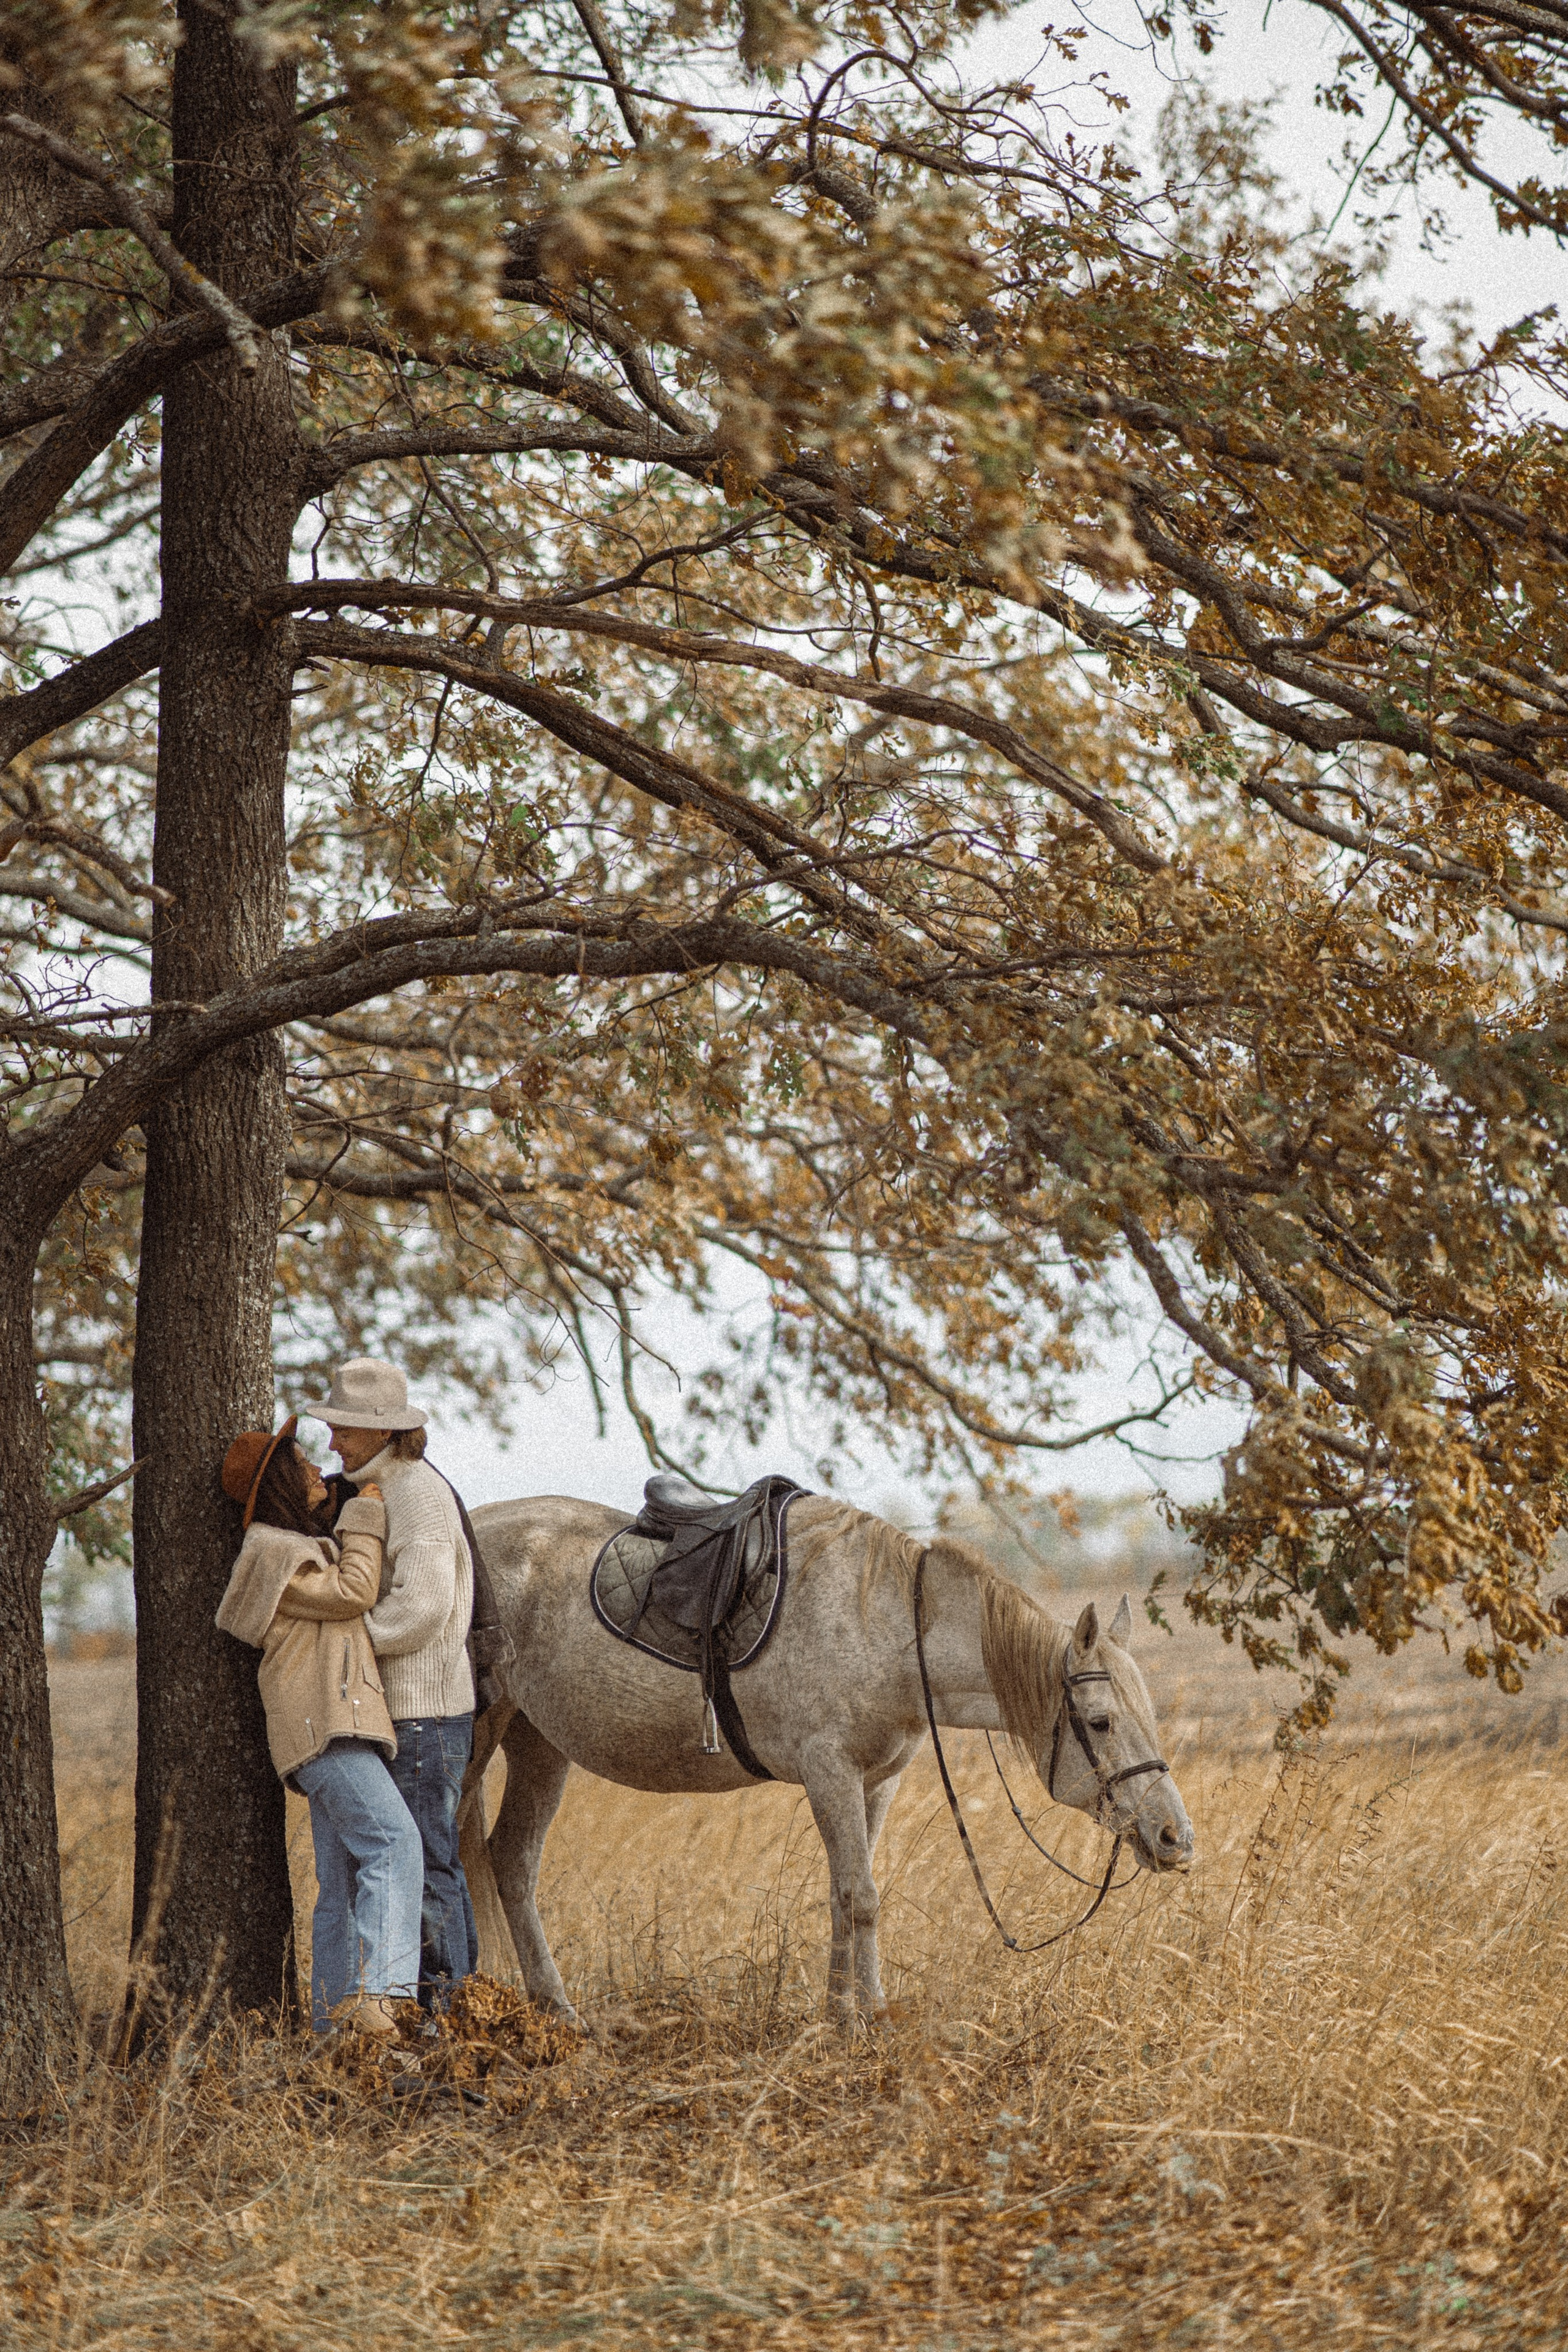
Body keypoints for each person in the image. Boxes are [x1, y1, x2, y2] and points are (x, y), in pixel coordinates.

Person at [215, 1418, 423, 2042]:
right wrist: (365, 1517)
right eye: (300, 1464)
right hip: (325, 1729)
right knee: (396, 1845)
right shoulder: (274, 1556)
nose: (315, 1471)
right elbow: (355, 1590)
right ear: (278, 1482)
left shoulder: (286, 1552)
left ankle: (334, 2035)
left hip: (332, 1727)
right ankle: (383, 1998)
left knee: (343, 1883)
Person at [304, 1359, 479, 2007]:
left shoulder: (417, 1493)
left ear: (381, 1432)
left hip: (424, 1713)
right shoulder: (379, 1488)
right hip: (399, 1710)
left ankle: (445, 2015)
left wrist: (340, 1650)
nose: (333, 1442)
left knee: (428, 1866)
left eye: (344, 1429)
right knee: (410, 1865)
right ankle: (414, 2012)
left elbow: (420, 1610)